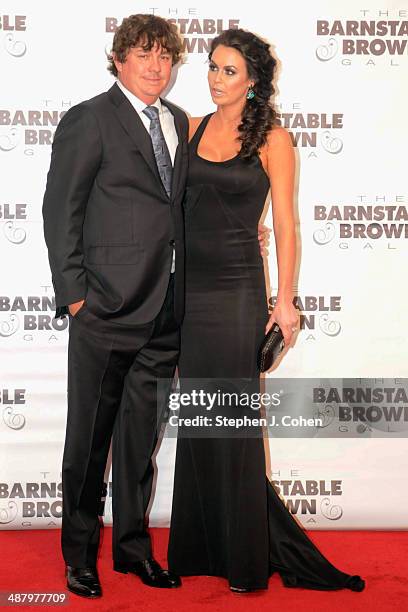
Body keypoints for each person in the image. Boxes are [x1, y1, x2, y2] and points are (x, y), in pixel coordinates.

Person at [167, 28, 365, 593]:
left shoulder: (274, 139)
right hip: (190, 291)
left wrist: (284, 301)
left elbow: (283, 225)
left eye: (229, 71)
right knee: (201, 417)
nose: (214, 78)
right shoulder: (191, 128)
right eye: (211, 67)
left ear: (253, 81)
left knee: (233, 419)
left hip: (235, 292)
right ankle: (202, 546)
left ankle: (246, 557)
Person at [42, 14, 189, 598]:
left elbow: (174, 208)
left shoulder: (178, 121)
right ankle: (79, 556)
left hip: (165, 309)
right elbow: (61, 212)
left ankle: (132, 550)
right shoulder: (89, 119)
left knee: (139, 443)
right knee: (89, 440)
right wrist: (76, 295)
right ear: (120, 59)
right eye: (144, 54)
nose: (156, 66)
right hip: (103, 310)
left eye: (165, 56)